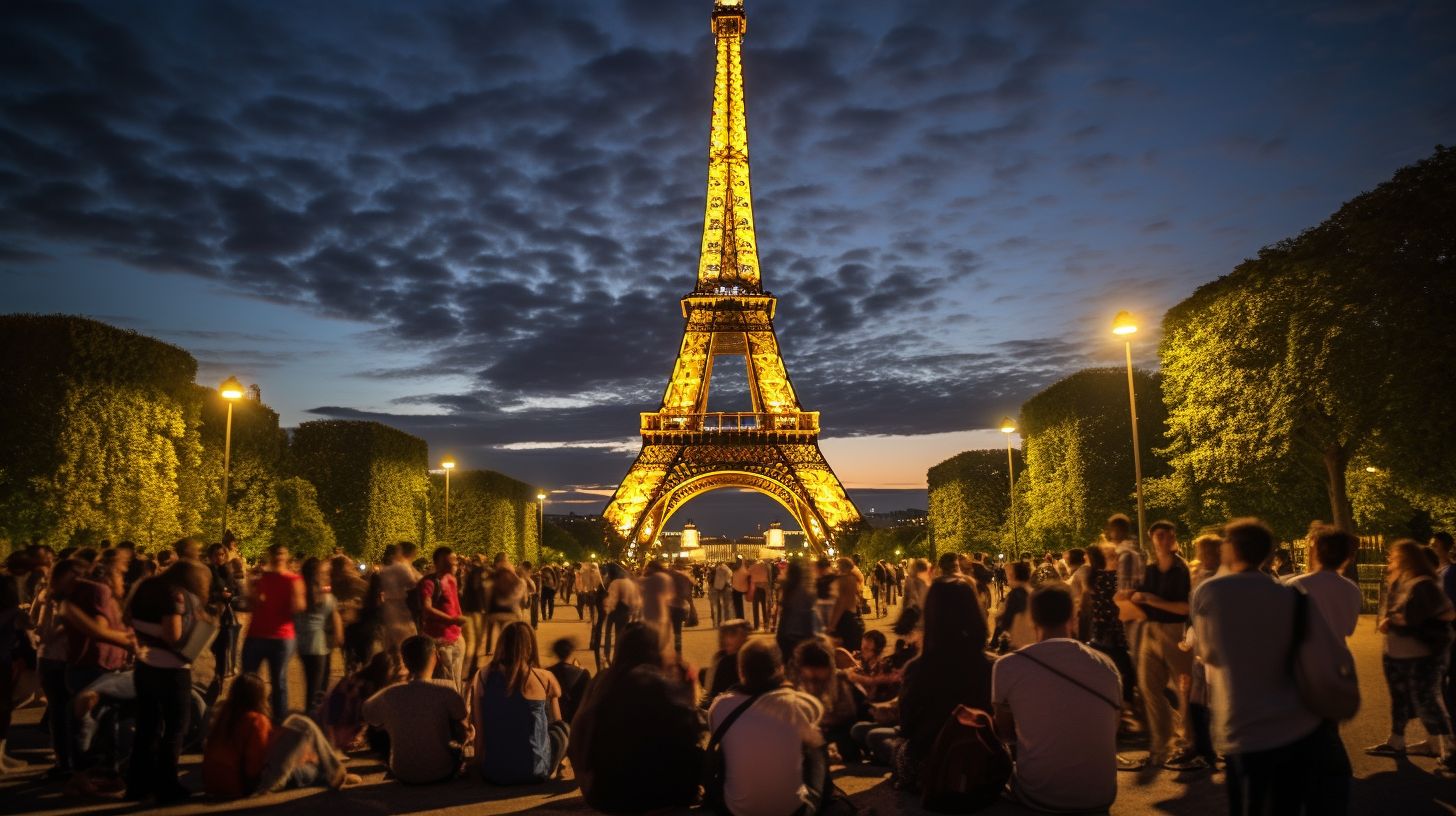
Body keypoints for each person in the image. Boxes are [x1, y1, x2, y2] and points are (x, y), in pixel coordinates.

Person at [1191, 517, 1353, 814]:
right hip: (1295, 724)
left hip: (1243, 724)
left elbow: (1210, 655)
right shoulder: (1292, 596)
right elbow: (1329, 656)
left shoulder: (1209, 592)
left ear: (1231, 549)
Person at [994, 584, 1120, 812]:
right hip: (1100, 794)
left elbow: (1004, 733)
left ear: (1032, 620)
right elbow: (1113, 725)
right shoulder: (1106, 665)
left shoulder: (1007, 666)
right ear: (1073, 617)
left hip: (1040, 795)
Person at [569, 623, 705, 813]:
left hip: (604, 794)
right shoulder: (659, 684)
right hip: (659, 795)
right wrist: (690, 691)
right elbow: (690, 734)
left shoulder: (601, 681)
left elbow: (578, 738)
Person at [887, 578, 994, 790]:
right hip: (981, 761)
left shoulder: (918, 668)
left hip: (932, 766)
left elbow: (907, 726)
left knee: (881, 739)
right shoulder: (991, 665)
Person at [124, 559, 211, 803]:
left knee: (147, 727)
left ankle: (138, 784)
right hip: (172, 669)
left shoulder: (144, 587)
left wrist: (146, 634)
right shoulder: (176, 596)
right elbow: (172, 634)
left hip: (144, 664)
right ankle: (167, 784)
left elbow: (127, 620)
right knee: (175, 728)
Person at [1366, 539, 1456, 774]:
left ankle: (1449, 748)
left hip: (1419, 654)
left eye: (1395, 556)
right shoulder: (1406, 582)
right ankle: (1399, 741)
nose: (1390, 560)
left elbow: (1448, 612)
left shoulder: (1424, 583)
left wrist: (1402, 620)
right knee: (1403, 698)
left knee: (1427, 700)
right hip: (1399, 652)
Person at [710, 638, 828, 816]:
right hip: (791, 811)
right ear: (780, 668)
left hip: (737, 810)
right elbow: (816, 723)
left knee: (729, 746)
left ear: (741, 672)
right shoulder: (799, 705)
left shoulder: (719, 708)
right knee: (815, 745)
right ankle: (823, 802)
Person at [202, 673, 358, 797]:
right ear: (257, 696)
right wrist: (291, 757)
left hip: (214, 783)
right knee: (303, 729)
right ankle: (334, 772)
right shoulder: (255, 720)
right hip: (247, 784)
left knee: (299, 742)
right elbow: (258, 763)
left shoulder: (223, 714)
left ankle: (329, 772)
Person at [60, 550, 134, 795]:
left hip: (102, 667)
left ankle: (104, 775)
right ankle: (79, 778)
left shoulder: (105, 594)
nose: (125, 578)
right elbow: (99, 630)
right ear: (110, 572)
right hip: (93, 668)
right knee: (88, 725)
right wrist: (127, 642)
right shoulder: (99, 592)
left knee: (104, 725)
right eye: (122, 572)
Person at [1123, 520, 1193, 771]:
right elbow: (1138, 598)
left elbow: (1184, 608)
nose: (1164, 540)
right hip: (1150, 630)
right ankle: (1162, 744)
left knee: (1185, 689)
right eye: (1160, 535)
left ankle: (1188, 744)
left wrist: (1152, 600)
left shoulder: (1181, 569)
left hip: (1175, 632)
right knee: (1148, 687)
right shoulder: (1149, 569)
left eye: (1169, 535)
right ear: (1152, 538)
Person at [472, 621, 568, 784]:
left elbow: (480, 733)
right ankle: (561, 764)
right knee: (563, 728)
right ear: (530, 647)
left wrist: (478, 764)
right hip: (534, 772)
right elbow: (555, 722)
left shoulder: (483, 677)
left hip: (495, 771)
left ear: (501, 645)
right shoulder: (544, 677)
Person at [363, 634, 467, 784]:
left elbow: (368, 713)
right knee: (457, 722)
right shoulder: (448, 690)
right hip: (442, 771)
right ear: (436, 657)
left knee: (377, 724)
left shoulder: (389, 694)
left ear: (405, 662)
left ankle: (396, 758)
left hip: (403, 773)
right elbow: (462, 725)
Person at [242, 544, 304, 724]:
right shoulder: (261, 578)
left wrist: (294, 601)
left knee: (279, 682)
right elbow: (251, 604)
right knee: (248, 679)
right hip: (257, 633)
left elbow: (299, 607)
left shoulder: (293, 580)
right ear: (270, 556)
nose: (278, 557)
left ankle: (279, 722)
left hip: (281, 637)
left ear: (286, 557)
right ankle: (248, 718)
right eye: (276, 553)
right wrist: (251, 592)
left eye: (282, 553)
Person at [795, 637, 866, 763]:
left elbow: (848, 713)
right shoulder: (803, 679)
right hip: (823, 727)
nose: (812, 677)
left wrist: (822, 719)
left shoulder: (840, 679)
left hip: (845, 728)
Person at [315, 650, 401, 752]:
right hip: (342, 733)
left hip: (327, 725)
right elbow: (363, 716)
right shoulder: (369, 689)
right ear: (385, 672)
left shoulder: (353, 679)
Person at [1287, 525, 1363, 639]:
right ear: (1346, 557)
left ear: (1317, 553)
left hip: (1303, 654)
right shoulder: (1352, 589)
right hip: (1337, 654)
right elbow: (1349, 629)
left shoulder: (1295, 585)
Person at [294, 557, 342, 714]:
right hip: (318, 645)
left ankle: (310, 714)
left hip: (302, 643)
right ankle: (312, 719)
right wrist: (338, 639)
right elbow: (337, 625)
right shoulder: (326, 598)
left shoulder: (299, 595)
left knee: (310, 684)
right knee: (318, 687)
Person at [419, 547, 467, 691]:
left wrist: (458, 627)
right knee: (446, 683)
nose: (454, 564)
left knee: (455, 679)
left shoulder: (452, 580)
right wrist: (451, 620)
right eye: (449, 562)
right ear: (437, 563)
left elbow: (455, 604)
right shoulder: (429, 582)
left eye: (454, 561)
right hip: (440, 640)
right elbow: (426, 609)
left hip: (456, 637)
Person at [378, 542, 421, 653]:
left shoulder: (387, 568)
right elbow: (415, 584)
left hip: (388, 607)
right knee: (407, 639)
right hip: (400, 608)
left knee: (390, 642)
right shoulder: (402, 568)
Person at [777, 559, 822, 663]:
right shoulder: (804, 592)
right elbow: (808, 617)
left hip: (785, 635)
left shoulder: (788, 589)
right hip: (801, 637)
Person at [703, 619, 751, 705]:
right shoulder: (722, 657)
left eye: (732, 635)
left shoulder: (729, 660)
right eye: (725, 635)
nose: (727, 639)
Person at [545, 637, 591, 724]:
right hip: (576, 719)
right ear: (571, 652)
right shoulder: (583, 674)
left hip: (555, 720)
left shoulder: (547, 672)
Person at [602, 562, 642, 662]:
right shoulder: (629, 582)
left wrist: (607, 609)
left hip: (616, 611)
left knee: (608, 633)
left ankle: (608, 654)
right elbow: (636, 599)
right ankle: (618, 655)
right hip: (626, 612)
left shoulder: (615, 583)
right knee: (620, 634)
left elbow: (613, 599)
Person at [993, 561, 1034, 650]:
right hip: (1032, 643)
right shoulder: (1032, 591)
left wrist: (994, 643)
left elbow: (1005, 621)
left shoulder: (1016, 594)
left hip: (1020, 645)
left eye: (1007, 574)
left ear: (1012, 575)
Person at [827, 557, 865, 648]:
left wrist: (832, 625)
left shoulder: (841, 581)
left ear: (842, 567)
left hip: (844, 619)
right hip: (853, 615)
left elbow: (841, 604)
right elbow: (857, 595)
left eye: (838, 565)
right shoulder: (853, 579)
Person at [710, 560, 732, 628]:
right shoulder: (727, 569)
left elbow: (710, 579)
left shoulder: (714, 569)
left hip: (715, 587)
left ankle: (716, 623)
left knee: (716, 606)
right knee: (726, 606)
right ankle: (727, 622)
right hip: (725, 587)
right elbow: (729, 579)